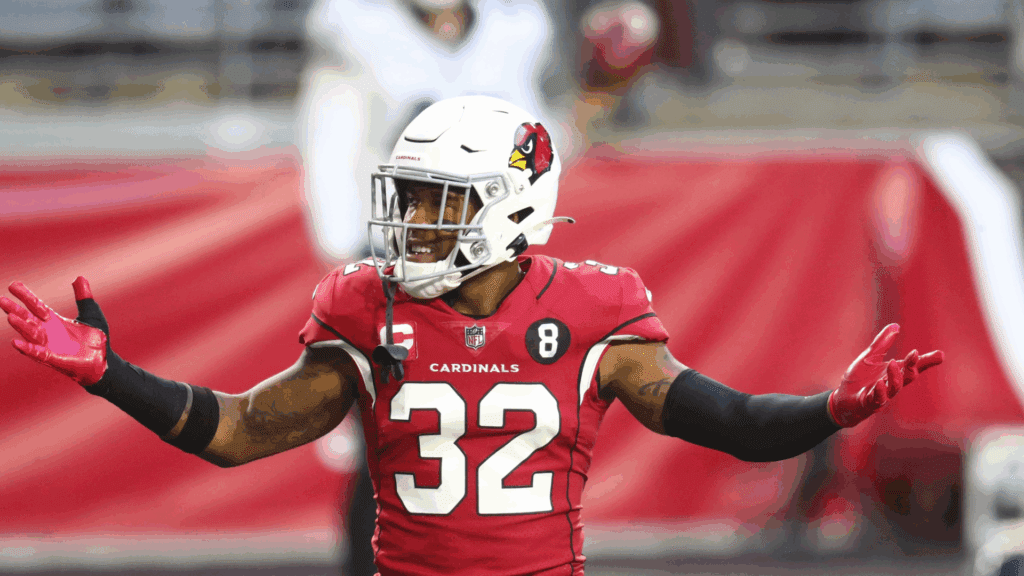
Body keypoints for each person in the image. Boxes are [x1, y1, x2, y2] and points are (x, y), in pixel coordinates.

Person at [1, 95, 943, 576]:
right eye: (409, 201)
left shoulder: (595, 310)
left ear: (512, 206)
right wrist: (112, 375)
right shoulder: (367, 305)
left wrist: (827, 409)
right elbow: (240, 430)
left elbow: (728, 420)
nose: (411, 224)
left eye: (437, 204)